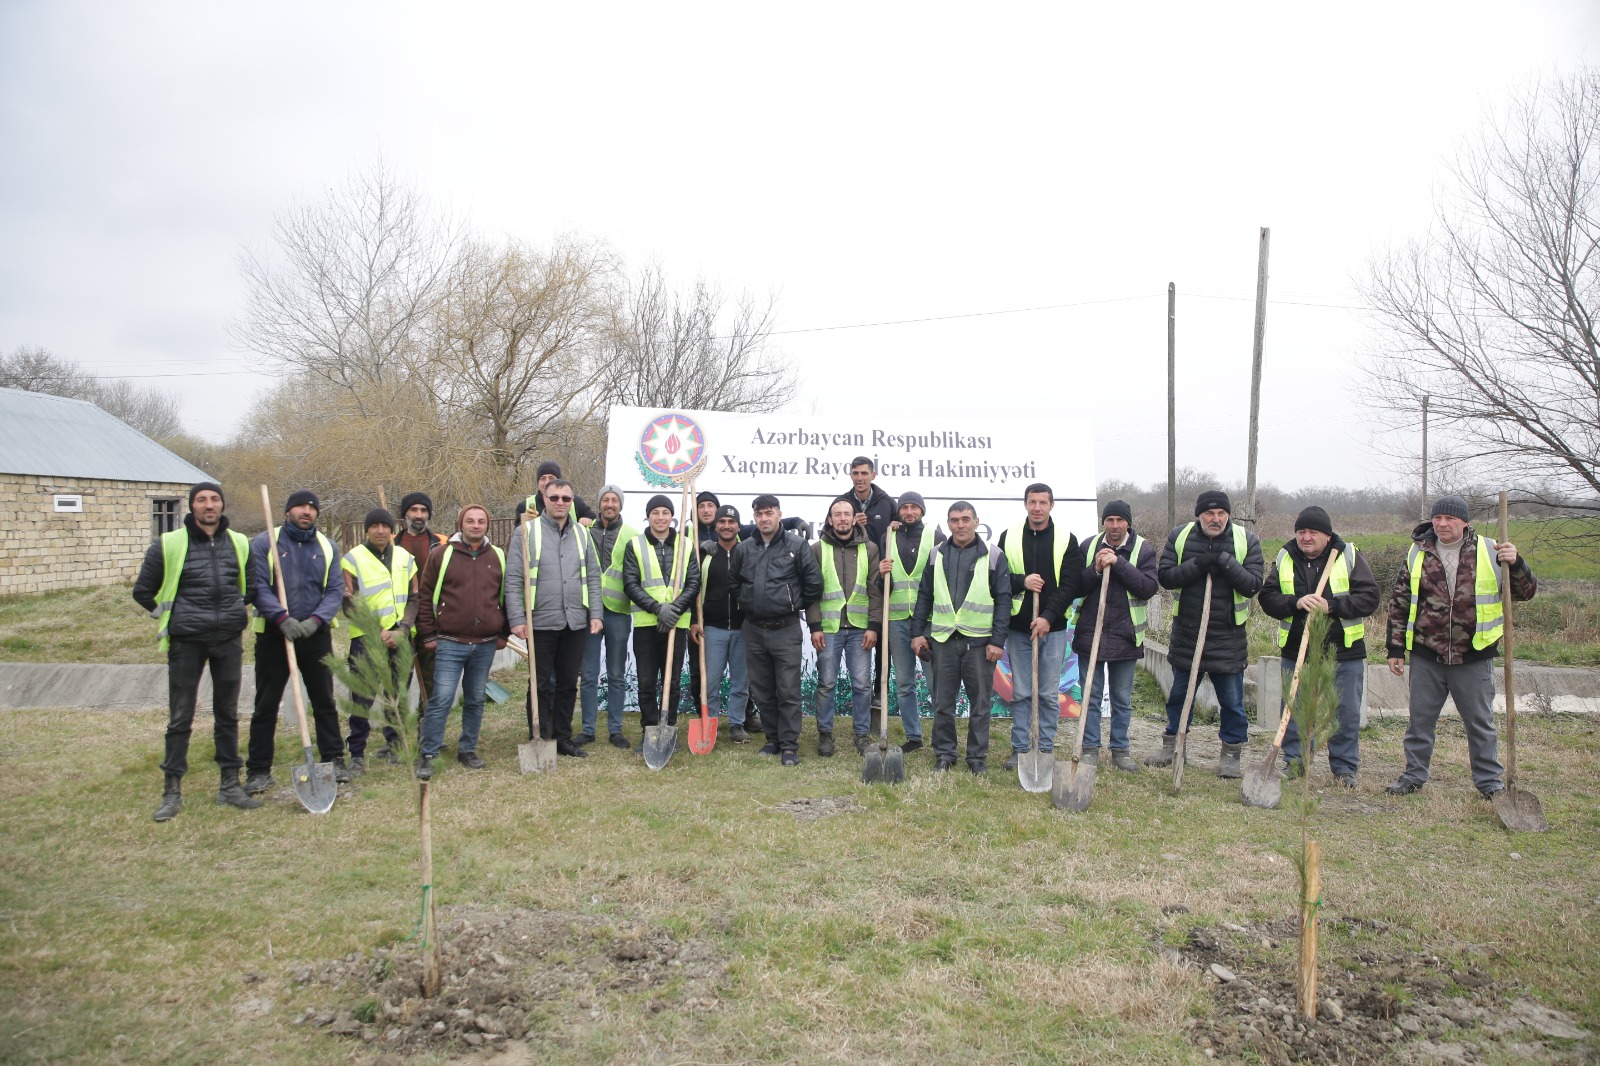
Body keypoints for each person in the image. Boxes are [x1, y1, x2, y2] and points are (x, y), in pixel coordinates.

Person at [1384, 495, 1536, 798]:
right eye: (1438, 518)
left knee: (1480, 724)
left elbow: (1526, 591)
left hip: (1474, 655)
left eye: (1450, 519)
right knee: (1420, 722)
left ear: (1465, 522)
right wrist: (1396, 649)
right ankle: (1413, 776)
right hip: (1428, 654)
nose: (1442, 524)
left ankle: (1490, 784)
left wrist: (1516, 562)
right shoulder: (1417, 553)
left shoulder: (1491, 551)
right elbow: (1400, 603)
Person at [132, 481, 260, 821]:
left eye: (215, 499)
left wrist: (233, 610)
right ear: (191, 507)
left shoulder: (240, 543)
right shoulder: (169, 544)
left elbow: (250, 587)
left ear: (222, 505)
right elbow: (143, 590)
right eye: (201, 500)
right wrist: (169, 612)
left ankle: (230, 785)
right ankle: (172, 791)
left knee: (228, 714)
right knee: (181, 716)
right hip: (186, 641)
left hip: (228, 639)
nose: (209, 505)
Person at [1257, 506, 1380, 786]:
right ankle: (1296, 762)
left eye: (1313, 532)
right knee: (1293, 710)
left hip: (1343, 651)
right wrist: (1295, 603)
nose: (1306, 537)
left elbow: (1370, 597)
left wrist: (1332, 606)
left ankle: (1344, 769)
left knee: (1345, 712)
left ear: (1326, 535)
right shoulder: (1285, 556)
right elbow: (1267, 598)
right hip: (1296, 650)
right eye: (1301, 532)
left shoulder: (1347, 555)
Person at [1148, 490, 1264, 777]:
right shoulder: (1181, 536)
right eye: (1210, 514)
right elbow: (1166, 577)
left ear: (1228, 515)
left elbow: (1252, 584)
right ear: (1198, 515)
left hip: (1228, 637)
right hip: (1188, 633)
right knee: (1179, 696)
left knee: (1232, 702)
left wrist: (1224, 562)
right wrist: (1199, 564)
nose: (1216, 519)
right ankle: (1174, 745)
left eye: (1222, 513)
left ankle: (1231, 754)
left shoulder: (1245, 540)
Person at [245, 489, 346, 793]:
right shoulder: (265, 543)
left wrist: (315, 621)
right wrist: (281, 618)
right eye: (301, 506)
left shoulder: (327, 547)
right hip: (274, 635)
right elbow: (258, 586)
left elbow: (334, 590)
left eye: (312, 507)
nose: (307, 511)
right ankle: (259, 770)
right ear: (288, 511)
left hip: (315, 636)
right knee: (266, 703)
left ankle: (333, 759)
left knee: (324, 701)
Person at [1059, 500, 1159, 772]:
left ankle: (1120, 750)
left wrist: (1120, 563)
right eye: (1110, 520)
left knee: (1121, 698)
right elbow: (1076, 586)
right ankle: (1090, 747)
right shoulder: (1089, 545)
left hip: (1125, 635)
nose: (1115, 526)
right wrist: (1095, 570)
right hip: (1091, 632)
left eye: (1120, 520)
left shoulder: (1143, 549)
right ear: (1103, 522)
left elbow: (1148, 588)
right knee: (1089, 695)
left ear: (1128, 523)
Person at [911, 502, 1012, 773]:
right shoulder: (936, 554)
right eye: (955, 520)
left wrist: (997, 641)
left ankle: (977, 759)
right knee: (943, 703)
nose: (960, 525)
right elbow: (924, 596)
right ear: (948, 523)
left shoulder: (993, 555)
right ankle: (945, 755)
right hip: (943, 641)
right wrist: (918, 634)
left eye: (966, 519)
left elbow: (1004, 601)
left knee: (980, 704)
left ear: (976, 522)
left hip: (979, 644)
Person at [507, 479, 603, 759]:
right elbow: (513, 578)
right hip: (540, 622)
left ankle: (563, 737)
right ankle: (539, 734)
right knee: (539, 683)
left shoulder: (583, 535)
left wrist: (595, 613)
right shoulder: (526, 532)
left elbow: (594, 578)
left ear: (572, 502)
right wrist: (517, 618)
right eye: (554, 497)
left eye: (566, 498)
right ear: (544, 499)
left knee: (566, 683)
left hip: (574, 621)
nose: (560, 502)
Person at [414, 504, 508, 779]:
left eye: (481, 521)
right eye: (470, 521)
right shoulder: (442, 554)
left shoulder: (497, 556)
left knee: (476, 699)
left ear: (487, 525)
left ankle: (468, 749)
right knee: (441, 698)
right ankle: (429, 752)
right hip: (450, 642)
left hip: (485, 643)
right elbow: (425, 593)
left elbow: (505, 596)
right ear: (461, 524)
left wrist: (503, 634)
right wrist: (428, 634)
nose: (476, 525)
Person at [730, 494, 823, 766]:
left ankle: (790, 745)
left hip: (786, 629)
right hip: (754, 630)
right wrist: (749, 603)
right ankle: (772, 739)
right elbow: (734, 584)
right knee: (762, 690)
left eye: (769, 513)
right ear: (754, 518)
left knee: (788, 690)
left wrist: (790, 602)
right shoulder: (744, 549)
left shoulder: (797, 545)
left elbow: (814, 584)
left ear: (779, 515)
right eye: (759, 514)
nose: (764, 518)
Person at [995, 483, 1082, 771]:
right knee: (1020, 692)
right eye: (1032, 502)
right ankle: (1020, 748)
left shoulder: (1066, 539)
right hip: (1019, 627)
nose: (1037, 508)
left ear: (1051, 505)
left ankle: (1045, 747)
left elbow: (1072, 583)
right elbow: (1000, 576)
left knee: (1047, 693)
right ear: (1025, 504)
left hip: (1053, 629)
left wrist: (1047, 616)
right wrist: (1022, 582)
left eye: (1043, 502)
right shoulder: (1009, 537)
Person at [340, 507, 419, 774]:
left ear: (392, 529)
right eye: (374, 526)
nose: (380, 530)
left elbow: (414, 598)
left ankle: (396, 744)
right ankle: (358, 753)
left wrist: (403, 629)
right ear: (367, 530)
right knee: (362, 697)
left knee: (397, 694)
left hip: (400, 638)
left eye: (385, 526)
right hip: (367, 639)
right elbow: (349, 603)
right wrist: (377, 631)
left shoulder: (406, 559)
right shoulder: (352, 560)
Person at [805, 499, 883, 756]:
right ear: (830, 520)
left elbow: (875, 590)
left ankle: (861, 736)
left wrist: (873, 626)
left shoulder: (870, 549)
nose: (842, 519)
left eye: (846, 514)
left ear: (854, 519)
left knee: (861, 684)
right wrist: (815, 625)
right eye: (837, 514)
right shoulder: (817, 549)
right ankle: (825, 735)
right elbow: (812, 592)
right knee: (826, 683)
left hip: (861, 629)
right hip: (828, 629)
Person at [622, 494, 701, 742]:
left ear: (672, 517)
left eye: (665, 513)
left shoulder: (686, 545)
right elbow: (630, 584)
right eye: (655, 513)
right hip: (647, 624)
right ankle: (649, 730)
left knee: (673, 680)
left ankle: (668, 729)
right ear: (648, 517)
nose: (660, 517)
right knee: (646, 680)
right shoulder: (635, 545)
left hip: (677, 624)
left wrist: (674, 609)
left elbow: (694, 582)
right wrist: (658, 609)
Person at [879, 491, 943, 752]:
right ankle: (914, 737)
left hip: (927, 621)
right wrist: (881, 574)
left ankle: (941, 735)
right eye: (904, 507)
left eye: (913, 507)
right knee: (904, 683)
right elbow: (881, 582)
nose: (908, 512)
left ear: (922, 511)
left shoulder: (935, 536)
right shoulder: (888, 536)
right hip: (896, 620)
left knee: (935, 681)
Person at [691, 504, 752, 742]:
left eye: (731, 522)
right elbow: (693, 590)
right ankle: (710, 722)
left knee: (741, 683)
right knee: (711, 682)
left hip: (742, 629)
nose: (726, 526)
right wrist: (695, 622)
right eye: (722, 522)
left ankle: (737, 724)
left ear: (738, 526)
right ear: (715, 526)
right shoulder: (704, 554)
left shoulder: (748, 553)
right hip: (712, 631)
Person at [584, 484, 636, 749]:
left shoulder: (631, 535)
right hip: (589, 609)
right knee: (589, 673)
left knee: (616, 674)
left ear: (621, 505)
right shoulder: (583, 532)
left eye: (615, 500)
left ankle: (615, 730)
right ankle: (588, 729)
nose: (610, 504)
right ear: (600, 504)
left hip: (618, 611)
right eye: (605, 499)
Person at [396, 491, 448, 710]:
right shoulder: (392, 545)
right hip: (400, 620)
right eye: (413, 510)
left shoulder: (442, 543)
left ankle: (427, 730)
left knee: (432, 678)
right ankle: (396, 737)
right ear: (405, 514)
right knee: (398, 679)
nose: (419, 515)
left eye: (423, 510)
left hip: (432, 619)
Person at [833, 456, 897, 548]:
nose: (859, 478)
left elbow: (904, 533)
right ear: (851, 476)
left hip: (879, 561)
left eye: (864, 473)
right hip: (850, 561)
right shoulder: (840, 503)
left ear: (873, 475)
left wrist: (896, 528)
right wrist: (850, 523)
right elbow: (827, 535)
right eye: (855, 473)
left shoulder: (888, 503)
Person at [516, 460, 597, 525]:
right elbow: (519, 539)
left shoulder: (576, 502)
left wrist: (587, 520)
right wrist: (524, 524)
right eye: (543, 478)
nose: (547, 482)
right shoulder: (524, 506)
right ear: (538, 482)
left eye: (551, 478)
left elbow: (596, 522)